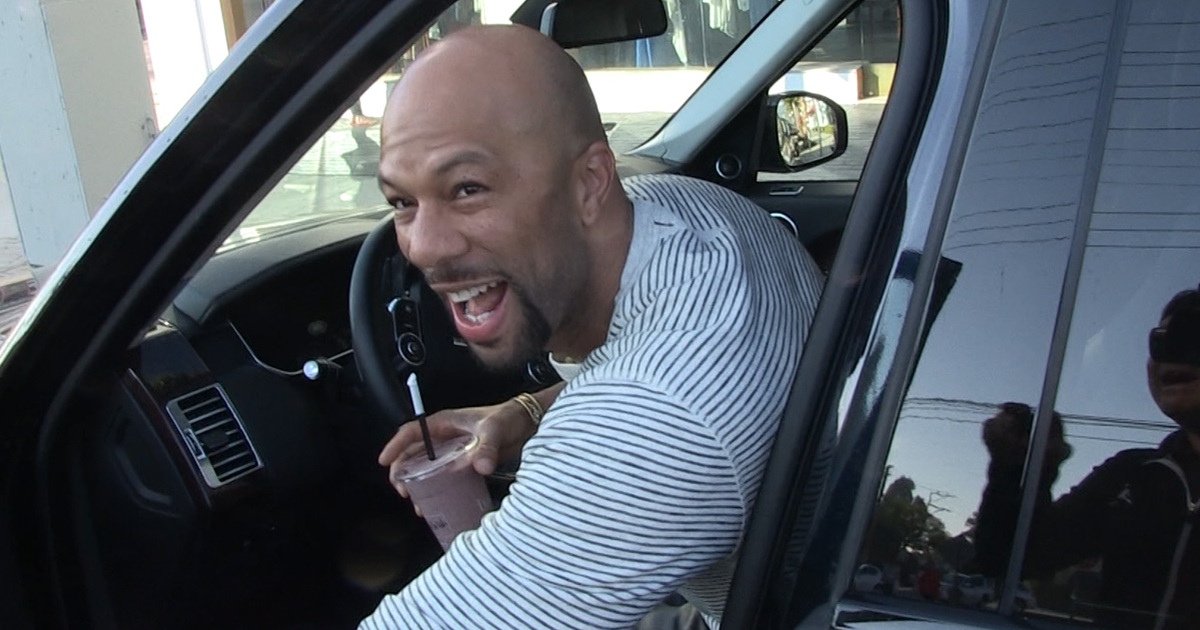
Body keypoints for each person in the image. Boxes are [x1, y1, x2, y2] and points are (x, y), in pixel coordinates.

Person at [358, 25, 824, 630]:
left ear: (590, 183)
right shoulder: (688, 210)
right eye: (402, 203)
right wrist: (528, 411)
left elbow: (649, 407)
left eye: (468, 189)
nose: (424, 248)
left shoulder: (651, 422)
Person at [974, 285, 1200, 630]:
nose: (1169, 354)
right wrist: (1018, 468)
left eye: (1191, 333)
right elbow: (1007, 559)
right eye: (1159, 341)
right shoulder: (1133, 475)